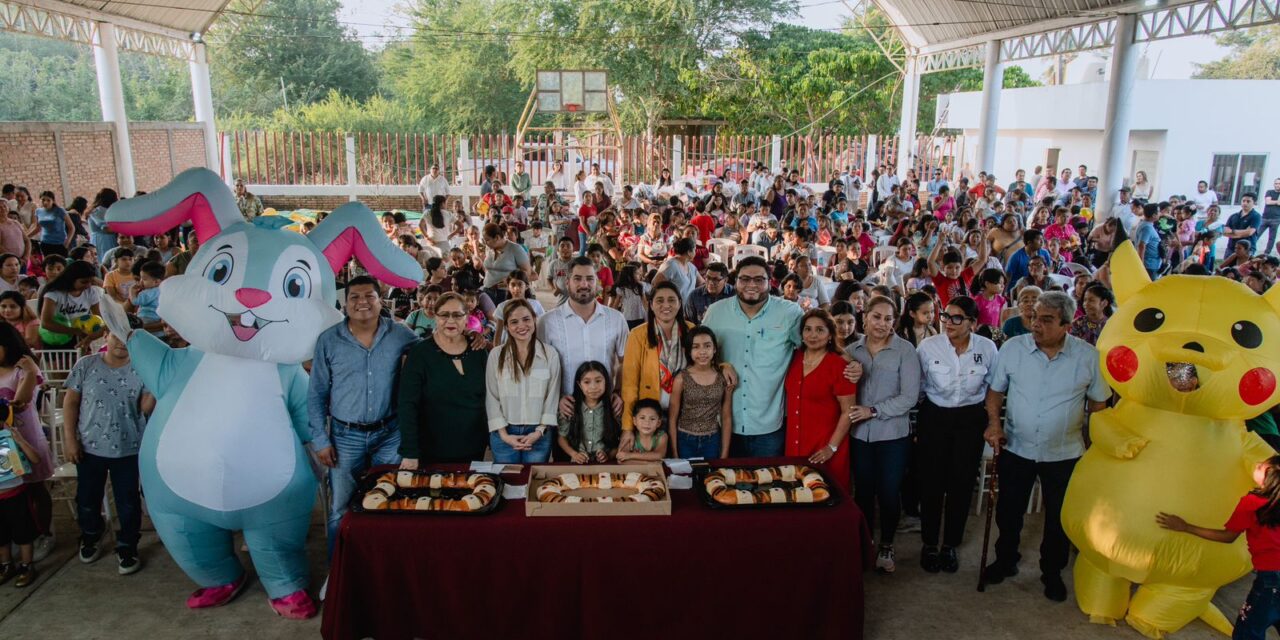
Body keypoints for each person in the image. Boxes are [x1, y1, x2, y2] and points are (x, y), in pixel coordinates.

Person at [982, 291, 1111, 601]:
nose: (1036, 324)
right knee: (1009, 511)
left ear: (1067, 324)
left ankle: (1051, 572)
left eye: (1046, 320)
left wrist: (1097, 445)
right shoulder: (1013, 349)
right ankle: (1005, 560)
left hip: (1064, 453)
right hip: (1017, 447)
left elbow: (1098, 404)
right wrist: (995, 424)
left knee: (1058, 517)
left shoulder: (1088, 357)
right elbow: (995, 392)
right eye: (1035, 317)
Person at [308, 277, 418, 555]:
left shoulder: (400, 334)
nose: (362, 302)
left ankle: (383, 565)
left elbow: (433, 350)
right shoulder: (329, 340)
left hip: (390, 434)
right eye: (354, 297)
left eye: (369, 296)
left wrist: (474, 336)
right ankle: (338, 573)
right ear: (345, 304)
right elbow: (317, 393)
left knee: (391, 501)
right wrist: (321, 440)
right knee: (340, 508)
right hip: (345, 437)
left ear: (381, 300)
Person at [915, 296, 998, 573]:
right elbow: (920, 387)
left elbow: (992, 388)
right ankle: (929, 543)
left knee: (961, 482)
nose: (949, 322)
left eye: (957, 318)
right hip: (935, 416)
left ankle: (950, 544)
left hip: (970, 419)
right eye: (946, 316)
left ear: (973, 323)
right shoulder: (928, 347)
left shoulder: (987, 348)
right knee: (931, 481)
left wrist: (992, 422)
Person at [1156, 456, 1280, 639]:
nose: (1256, 465)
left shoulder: (1251, 503)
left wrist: (1185, 527)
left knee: (1247, 631)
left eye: (1261, 466)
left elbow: (1228, 536)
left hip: (1271, 579)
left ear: (1269, 476)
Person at [62, 326, 153, 574]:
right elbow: (70, 403)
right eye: (116, 336)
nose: (121, 343)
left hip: (129, 449)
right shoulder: (86, 365)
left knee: (128, 502)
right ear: (106, 337)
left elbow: (144, 408)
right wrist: (71, 440)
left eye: (128, 339)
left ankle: (127, 546)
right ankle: (91, 535)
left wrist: (156, 385)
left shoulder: (143, 370)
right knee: (87, 499)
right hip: (89, 448)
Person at [845, 295, 921, 574]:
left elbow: (910, 397)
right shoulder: (852, 350)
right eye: (877, 317)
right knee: (863, 490)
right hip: (859, 434)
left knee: (889, 491)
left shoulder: (905, 351)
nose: (882, 323)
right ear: (865, 317)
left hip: (892, 434)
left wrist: (873, 411)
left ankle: (887, 543)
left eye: (888, 318)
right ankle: (866, 542)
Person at [702, 256, 803, 457]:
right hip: (723, 421)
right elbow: (697, 354)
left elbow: (813, 350)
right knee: (724, 484)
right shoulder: (716, 312)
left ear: (770, 282)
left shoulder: (789, 313)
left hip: (768, 423)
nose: (751, 285)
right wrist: (720, 364)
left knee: (767, 482)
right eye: (744, 279)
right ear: (735, 281)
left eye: (759, 279)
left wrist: (848, 362)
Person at [537, 257, 629, 440]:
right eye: (577, 278)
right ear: (567, 282)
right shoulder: (548, 322)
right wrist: (556, 399)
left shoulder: (616, 319)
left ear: (598, 283)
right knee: (565, 467)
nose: (584, 284)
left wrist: (618, 392)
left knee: (605, 467)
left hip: (606, 412)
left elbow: (625, 362)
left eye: (590, 279)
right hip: (566, 412)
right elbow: (541, 368)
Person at [398, 293, 489, 466]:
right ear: (435, 317)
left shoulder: (478, 350)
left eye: (457, 315)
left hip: (474, 446)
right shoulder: (420, 354)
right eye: (444, 315)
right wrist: (409, 451)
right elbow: (407, 404)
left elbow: (488, 396)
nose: (451, 320)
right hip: (432, 450)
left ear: (467, 318)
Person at [784, 310, 856, 490]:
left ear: (830, 334)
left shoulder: (839, 366)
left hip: (825, 448)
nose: (812, 335)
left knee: (827, 499)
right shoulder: (795, 358)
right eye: (807, 329)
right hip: (794, 445)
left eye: (820, 330)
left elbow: (849, 411)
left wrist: (831, 447)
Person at [485, 298, 561, 464]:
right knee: (506, 481)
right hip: (504, 432)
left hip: (539, 433)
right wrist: (504, 435)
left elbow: (552, 396)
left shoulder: (550, 354)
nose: (521, 326)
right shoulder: (496, 355)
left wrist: (539, 432)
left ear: (534, 319)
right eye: (514, 322)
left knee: (532, 481)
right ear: (506, 327)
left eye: (526, 319)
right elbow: (492, 397)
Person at [620, 282, 690, 433]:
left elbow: (708, 363)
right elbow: (629, 385)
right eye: (659, 300)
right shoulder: (638, 335)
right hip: (650, 419)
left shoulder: (692, 330)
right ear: (651, 305)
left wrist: (725, 366)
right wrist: (627, 427)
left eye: (671, 300)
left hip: (685, 414)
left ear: (679, 303)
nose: (666, 305)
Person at [668, 326, 732, 460]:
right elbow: (672, 418)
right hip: (685, 440)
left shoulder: (723, 377)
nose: (702, 352)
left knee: (712, 479)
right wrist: (674, 452)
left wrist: (724, 454)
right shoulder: (681, 378)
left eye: (707, 346)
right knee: (686, 479)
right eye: (696, 347)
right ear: (688, 351)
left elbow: (726, 417)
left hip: (712, 440)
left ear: (714, 349)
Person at [0, 394, 43, 588]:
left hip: (16, 494)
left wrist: (19, 439)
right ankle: (6, 565)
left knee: (23, 532)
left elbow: (35, 459)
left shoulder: (12, 437)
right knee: (1, 535)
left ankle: (27, 566)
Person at [557, 361, 620, 463]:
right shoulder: (570, 407)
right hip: (577, 463)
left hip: (606, 465)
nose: (593, 387)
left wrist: (608, 455)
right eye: (587, 382)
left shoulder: (613, 407)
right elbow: (561, 438)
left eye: (598, 381)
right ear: (579, 385)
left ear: (606, 381)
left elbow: (621, 440)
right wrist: (574, 454)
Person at [37, 260, 103, 350]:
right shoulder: (54, 294)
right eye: (84, 282)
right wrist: (75, 331)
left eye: (91, 282)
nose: (88, 285)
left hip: (81, 336)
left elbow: (99, 318)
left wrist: (90, 337)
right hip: (55, 336)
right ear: (71, 279)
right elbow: (46, 323)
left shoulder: (91, 292)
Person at [653, 237, 702, 304]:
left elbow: (701, 283)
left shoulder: (691, 267)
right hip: (673, 309)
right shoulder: (670, 265)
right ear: (689, 252)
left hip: (689, 309)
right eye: (694, 250)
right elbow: (655, 283)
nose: (695, 253)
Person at [30, 191, 73, 257]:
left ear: (53, 201)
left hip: (60, 243)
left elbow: (71, 228)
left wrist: (67, 241)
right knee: (48, 264)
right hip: (45, 243)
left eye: (48, 200)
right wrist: (26, 237)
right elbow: (38, 228)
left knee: (61, 264)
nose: (45, 202)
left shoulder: (59, 210)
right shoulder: (38, 211)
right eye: (43, 200)